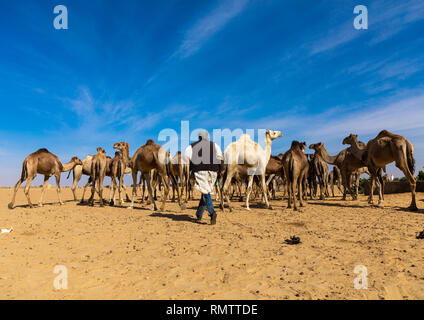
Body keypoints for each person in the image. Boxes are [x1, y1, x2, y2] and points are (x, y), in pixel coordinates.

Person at [184, 130, 223, 225]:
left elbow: (186, 161)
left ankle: (212, 212)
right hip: (213, 171)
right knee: (205, 191)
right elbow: (221, 159)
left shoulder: (191, 147)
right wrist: (220, 171)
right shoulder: (215, 145)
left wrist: (189, 173)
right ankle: (199, 214)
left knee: (205, 192)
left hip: (200, 171)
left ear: (199, 137)